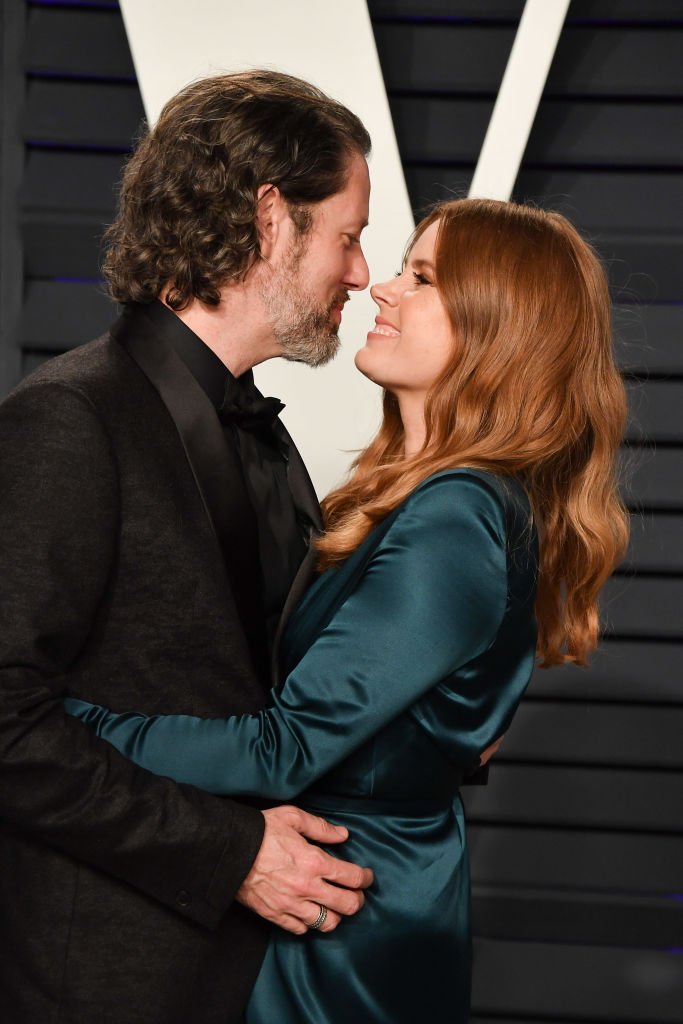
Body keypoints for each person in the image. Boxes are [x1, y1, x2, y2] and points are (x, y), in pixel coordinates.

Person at [65, 198, 630, 1022]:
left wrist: (66, 727)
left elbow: (283, 747)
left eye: (424, 277)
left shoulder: (455, 515)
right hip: (348, 886)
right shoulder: (432, 499)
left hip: (341, 907)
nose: (383, 289)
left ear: (500, 326)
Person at [0, 71, 380, 1023]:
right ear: (270, 219)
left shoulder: (259, 426)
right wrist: (229, 852)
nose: (362, 273)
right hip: (102, 979)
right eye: (348, 235)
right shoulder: (70, 418)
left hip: (246, 974)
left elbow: (277, 690)